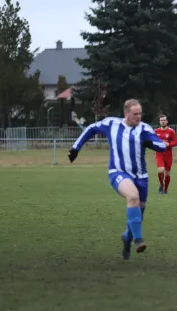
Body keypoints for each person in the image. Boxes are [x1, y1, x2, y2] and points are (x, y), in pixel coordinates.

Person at [67, 99, 167, 259]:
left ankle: (127, 238)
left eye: (140, 113)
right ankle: (138, 240)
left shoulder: (144, 128)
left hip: (141, 176)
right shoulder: (112, 124)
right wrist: (75, 148)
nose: (138, 117)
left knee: (138, 213)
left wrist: (152, 143)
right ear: (126, 113)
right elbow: (91, 129)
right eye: (135, 114)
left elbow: (161, 145)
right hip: (118, 172)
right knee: (132, 197)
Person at [154, 114, 177, 194]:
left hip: (168, 155)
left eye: (164, 120)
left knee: (167, 173)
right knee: (161, 170)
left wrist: (169, 144)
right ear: (159, 122)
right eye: (161, 120)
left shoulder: (171, 131)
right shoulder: (156, 131)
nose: (163, 122)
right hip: (159, 154)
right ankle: (161, 184)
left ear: (167, 121)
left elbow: (175, 142)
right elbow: (152, 141)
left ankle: (165, 189)